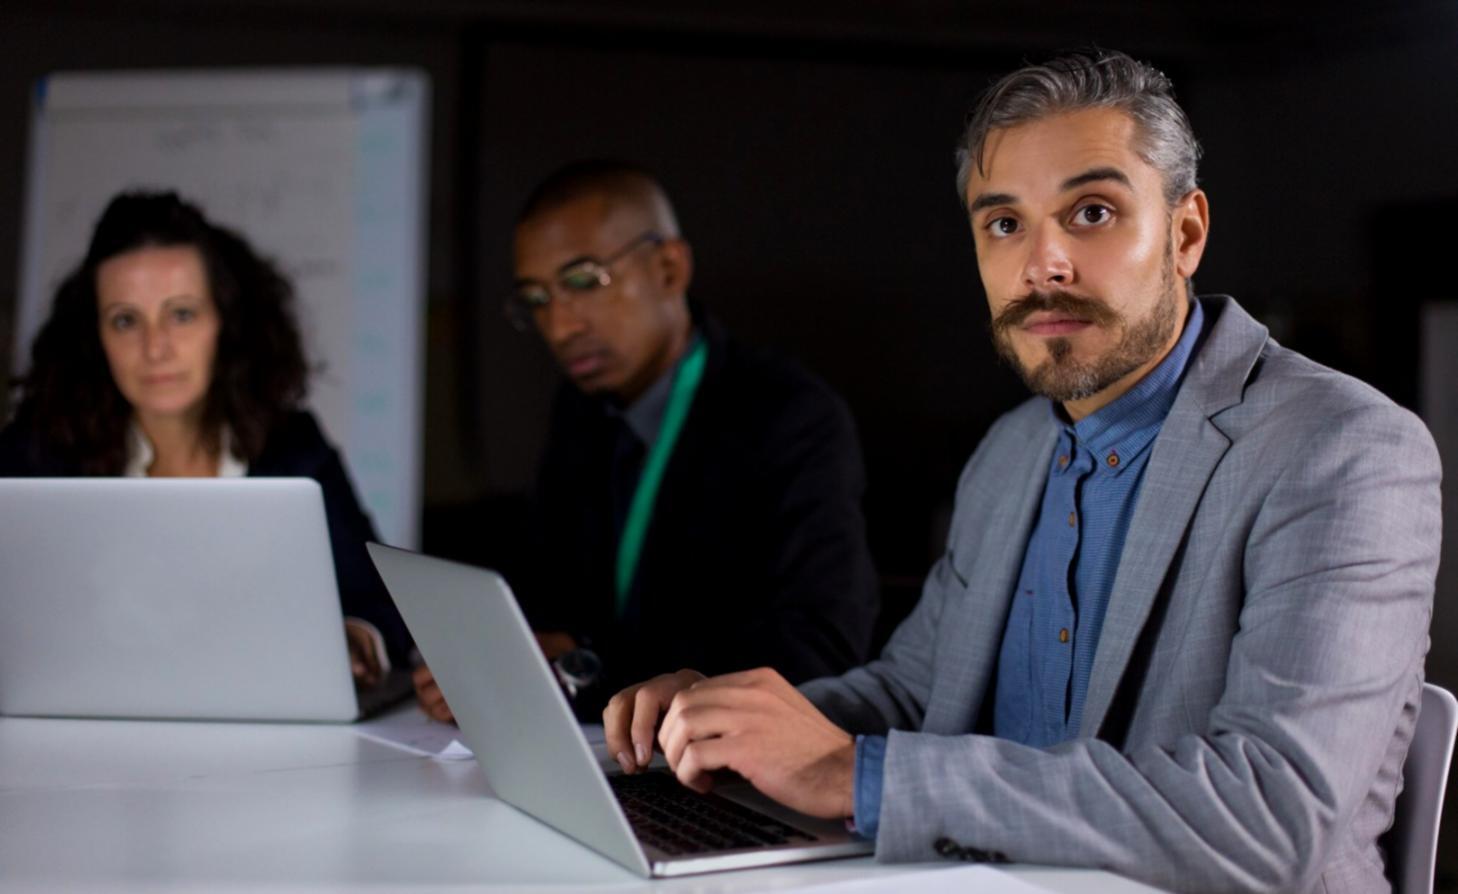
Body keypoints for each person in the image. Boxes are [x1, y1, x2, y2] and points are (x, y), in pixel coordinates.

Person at [603, 50, 1442, 893]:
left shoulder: (1342, 449)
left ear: (1185, 234)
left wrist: (856, 777)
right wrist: (726, 723)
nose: (1044, 265)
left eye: (1092, 212)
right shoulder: (1013, 450)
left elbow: (1272, 815)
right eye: (1004, 224)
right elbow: (912, 694)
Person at [414, 161, 879, 722]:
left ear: (668, 268)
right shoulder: (581, 411)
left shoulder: (790, 415)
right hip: (596, 746)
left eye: (584, 281)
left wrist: (589, 668)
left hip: (718, 764)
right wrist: (495, 658)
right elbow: (549, 601)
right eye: (537, 299)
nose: (560, 327)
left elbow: (823, 649)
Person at [0, 190, 410, 683]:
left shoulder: (294, 446)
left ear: (226, 323)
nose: (155, 348)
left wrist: (352, 639)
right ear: (95, 337)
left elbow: (380, 605)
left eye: (182, 314)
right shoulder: (38, 452)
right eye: (126, 320)